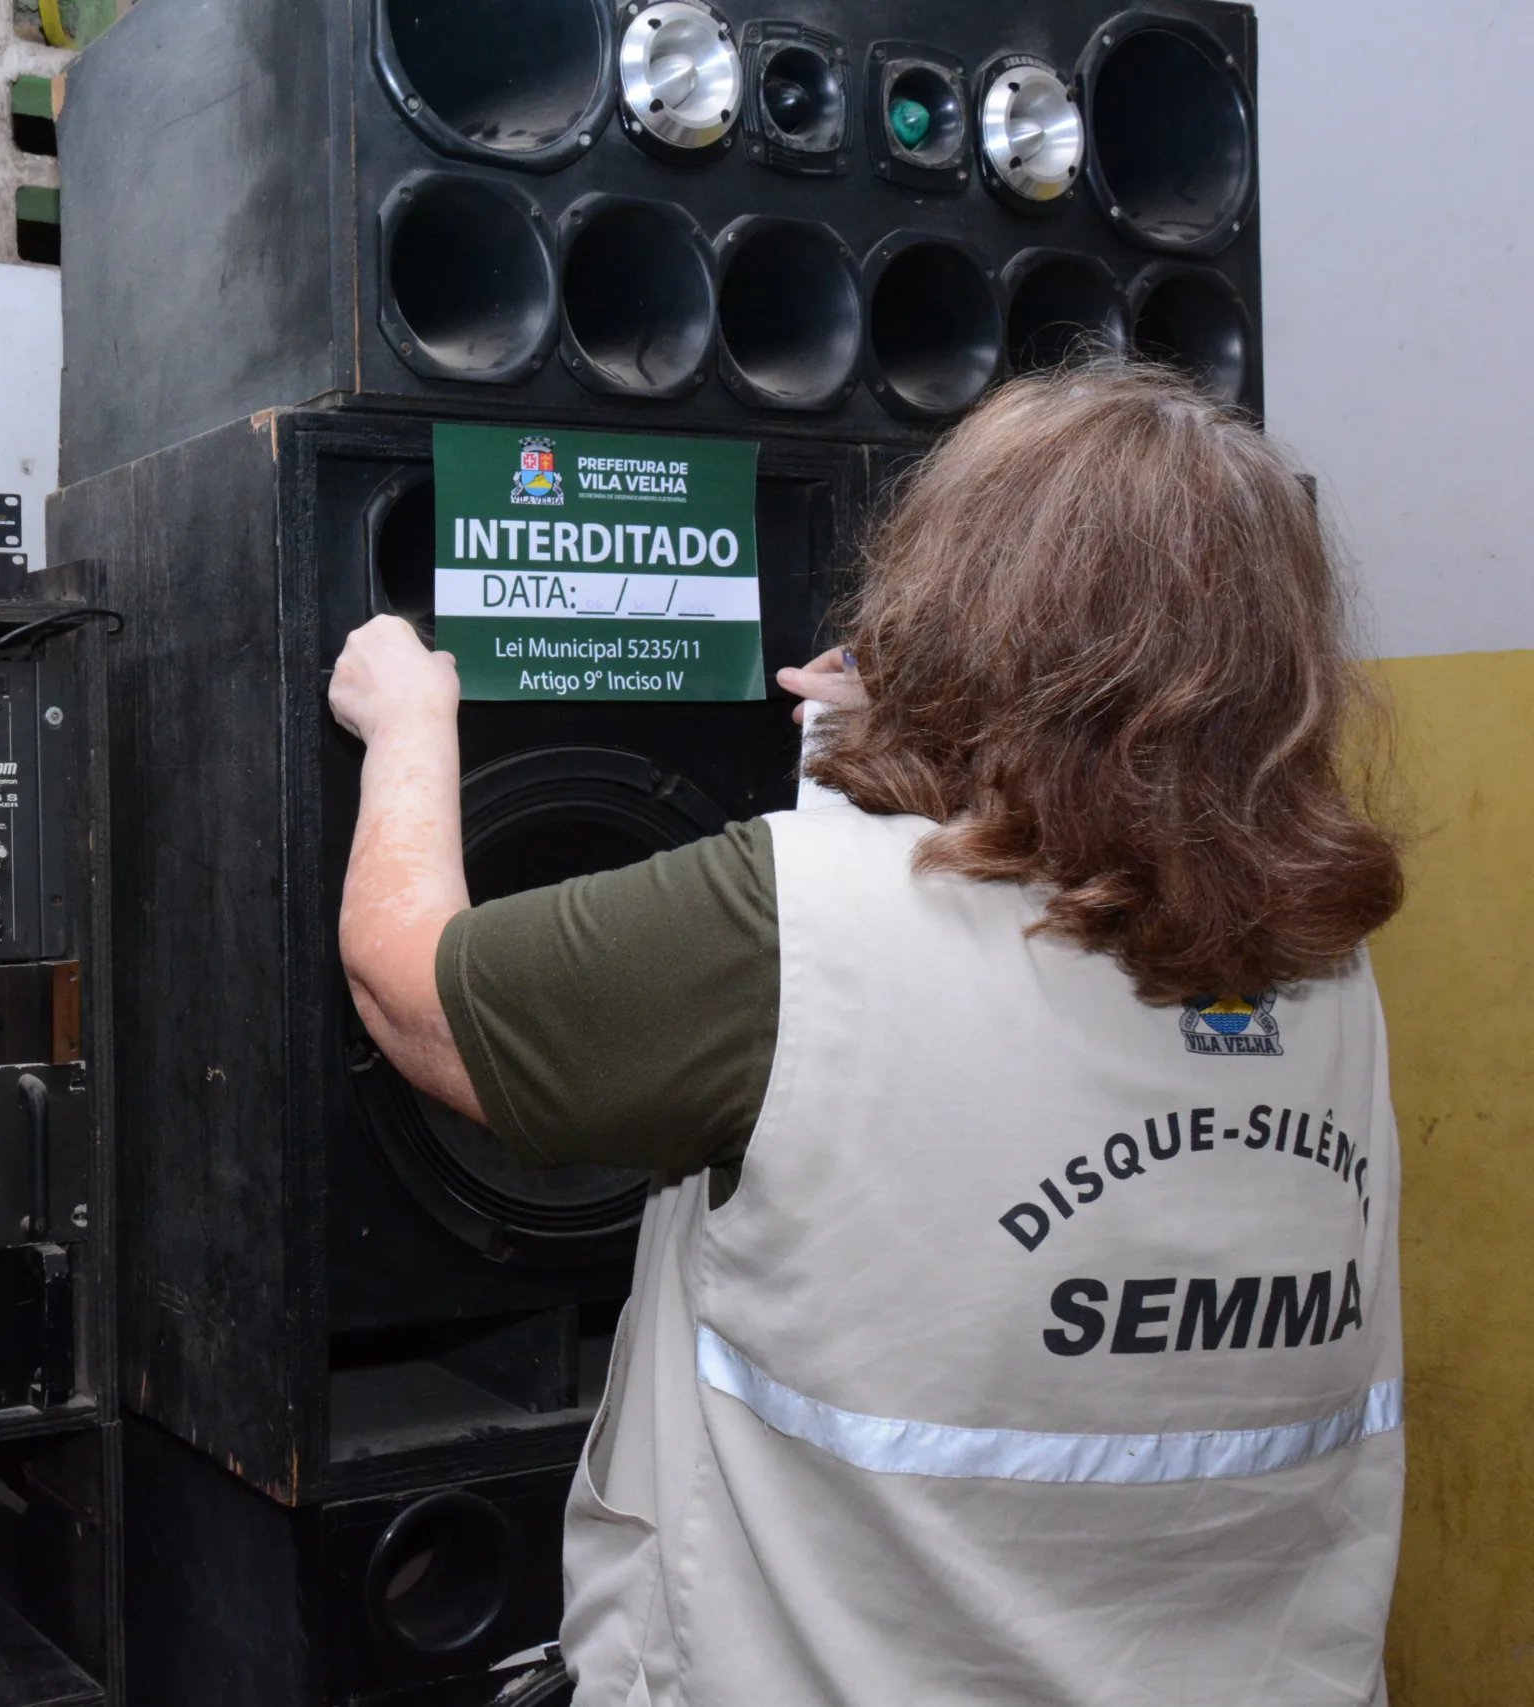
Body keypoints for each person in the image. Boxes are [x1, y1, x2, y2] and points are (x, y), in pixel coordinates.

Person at [328, 363, 1407, 1707]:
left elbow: (413, 991)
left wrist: (409, 722)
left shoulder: (791, 922)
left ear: (967, 597)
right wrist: (916, 759)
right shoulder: (1329, 956)